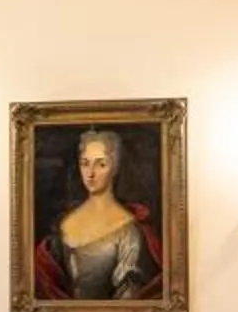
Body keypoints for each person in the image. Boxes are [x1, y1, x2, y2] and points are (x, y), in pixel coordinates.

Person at [34, 127, 163, 301]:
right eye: (85, 163)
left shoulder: (128, 231)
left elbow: (128, 300)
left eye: (101, 164)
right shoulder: (65, 221)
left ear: (114, 167)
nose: (90, 173)